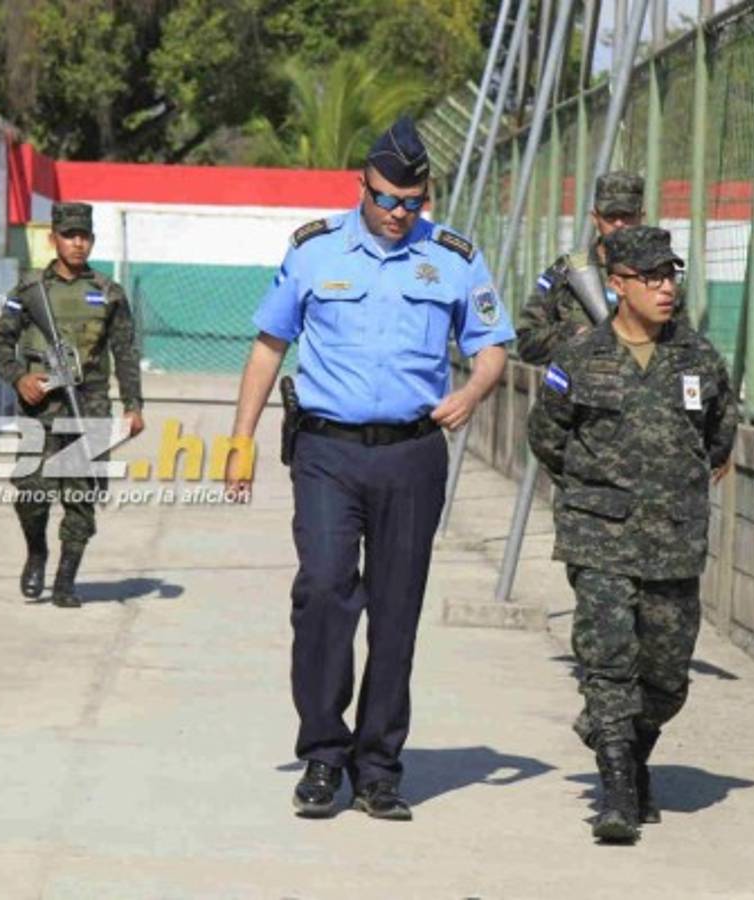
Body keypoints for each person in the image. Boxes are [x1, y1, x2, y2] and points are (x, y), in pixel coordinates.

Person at [227, 116, 514, 821]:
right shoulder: (313, 250)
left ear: (428, 195)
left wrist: (471, 392)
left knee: (395, 611)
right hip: (326, 450)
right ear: (362, 186)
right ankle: (323, 756)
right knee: (324, 592)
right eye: (386, 198)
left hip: (413, 454)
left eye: (412, 202)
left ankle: (379, 768)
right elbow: (268, 346)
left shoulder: (452, 257)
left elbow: (492, 347)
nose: (397, 214)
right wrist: (240, 440)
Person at [527, 226, 737, 842]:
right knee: (609, 660)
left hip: (673, 538)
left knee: (666, 678)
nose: (666, 288)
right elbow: (549, 437)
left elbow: (719, 434)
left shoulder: (698, 359)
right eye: (651, 278)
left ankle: (623, 744)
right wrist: (596, 495)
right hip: (600, 535)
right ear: (617, 286)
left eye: (671, 276)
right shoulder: (580, 359)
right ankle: (617, 792)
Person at [0, 202, 145, 608]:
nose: (78, 243)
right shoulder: (30, 292)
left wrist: (133, 404)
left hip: (88, 405)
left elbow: (125, 351)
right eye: (70, 235)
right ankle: (37, 552)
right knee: (30, 489)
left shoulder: (109, 293)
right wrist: (20, 378)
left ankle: (65, 580)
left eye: (84, 236)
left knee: (80, 494)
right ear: (52, 238)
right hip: (40, 407)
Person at [515, 171, 645, 365]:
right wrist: (572, 334)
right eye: (610, 216)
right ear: (595, 218)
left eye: (627, 216)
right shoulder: (566, 272)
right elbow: (526, 344)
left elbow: (681, 341)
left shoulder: (659, 274)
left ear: (641, 217)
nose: (619, 224)